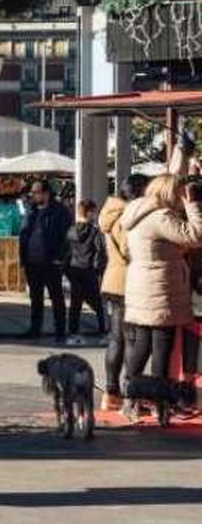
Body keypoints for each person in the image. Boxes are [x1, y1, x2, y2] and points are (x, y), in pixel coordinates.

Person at [120, 174, 202, 408]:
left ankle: (130, 396)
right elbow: (196, 235)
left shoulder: (136, 210)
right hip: (161, 288)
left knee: (141, 345)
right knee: (161, 348)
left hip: (141, 286)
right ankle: (160, 402)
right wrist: (192, 204)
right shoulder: (161, 217)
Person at [98, 174, 148, 411]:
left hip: (112, 280)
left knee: (116, 338)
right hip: (127, 282)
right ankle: (128, 393)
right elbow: (131, 249)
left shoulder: (111, 213)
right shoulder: (125, 217)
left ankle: (111, 392)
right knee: (129, 340)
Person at [19, 179, 73, 341]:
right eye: (32, 192)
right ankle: (35, 328)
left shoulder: (59, 211)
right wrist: (23, 258)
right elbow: (24, 233)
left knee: (56, 297)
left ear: (46, 194)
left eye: (36, 192)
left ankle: (60, 330)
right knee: (36, 298)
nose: (33, 195)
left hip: (51, 261)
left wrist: (60, 257)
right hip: (32, 261)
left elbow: (66, 237)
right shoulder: (31, 210)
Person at [65, 199, 107, 346]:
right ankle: (103, 331)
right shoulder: (95, 232)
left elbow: (66, 252)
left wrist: (68, 270)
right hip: (89, 271)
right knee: (98, 306)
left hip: (75, 269)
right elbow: (99, 251)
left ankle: (73, 333)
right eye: (94, 212)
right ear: (89, 212)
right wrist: (99, 271)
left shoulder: (71, 231)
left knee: (75, 304)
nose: (95, 215)